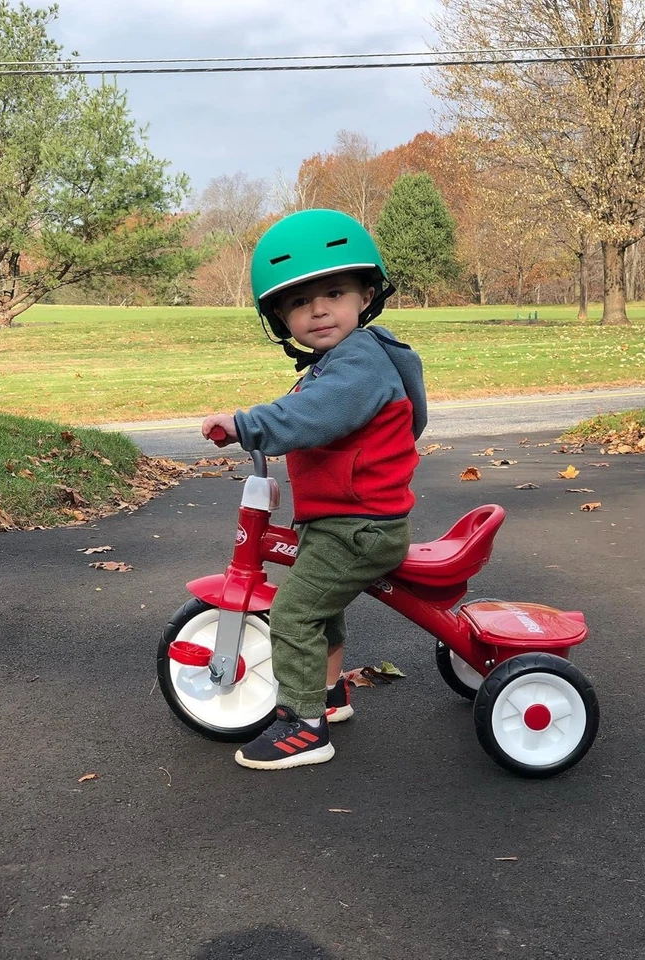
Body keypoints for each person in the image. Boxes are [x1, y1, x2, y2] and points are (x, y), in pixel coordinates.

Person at [201, 209, 428, 771]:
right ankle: (328, 697)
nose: (318, 309)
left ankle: (303, 726)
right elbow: (386, 415)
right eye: (300, 302)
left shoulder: (357, 365)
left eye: (334, 292)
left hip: (360, 526)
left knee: (294, 614)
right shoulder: (344, 362)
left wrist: (245, 424)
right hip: (348, 519)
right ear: (280, 316)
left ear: (365, 293)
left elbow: (309, 418)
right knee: (319, 606)